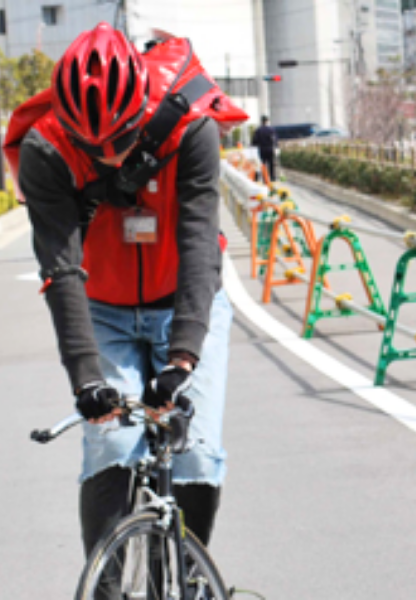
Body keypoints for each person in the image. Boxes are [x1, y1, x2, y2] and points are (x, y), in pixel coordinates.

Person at [9, 23, 246, 562]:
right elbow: (62, 270)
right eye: (93, 147)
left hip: (184, 298)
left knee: (196, 455)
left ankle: (185, 575)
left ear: (141, 109)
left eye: (120, 140)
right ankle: (106, 586)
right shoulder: (46, 148)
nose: (110, 157)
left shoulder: (190, 127)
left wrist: (182, 358)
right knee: (111, 445)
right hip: (104, 309)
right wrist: (86, 379)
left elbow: (199, 245)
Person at [252, 114, 278, 183]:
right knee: (271, 163)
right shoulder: (271, 130)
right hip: (270, 149)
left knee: (263, 164)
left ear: (261, 121)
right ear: (267, 121)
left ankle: (265, 178)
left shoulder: (258, 130)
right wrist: (276, 147)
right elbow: (275, 140)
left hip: (262, 149)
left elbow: (254, 141)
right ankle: (272, 177)